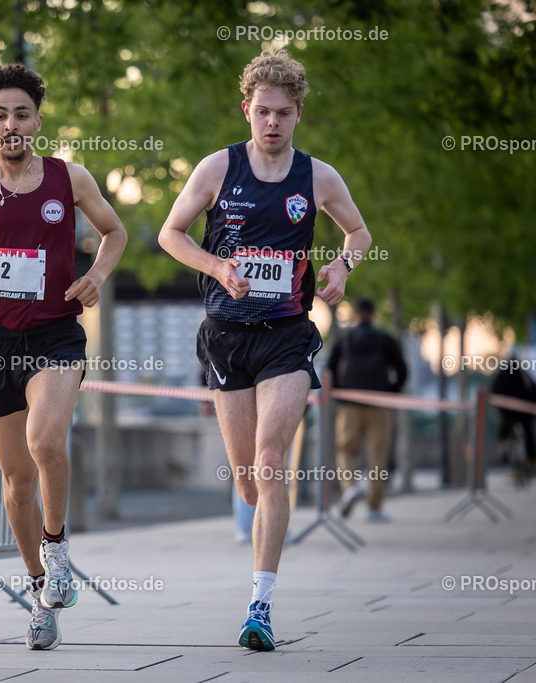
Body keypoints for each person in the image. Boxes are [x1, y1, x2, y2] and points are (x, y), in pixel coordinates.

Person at [158, 49, 372, 651]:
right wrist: (216, 265)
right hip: (226, 337)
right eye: (262, 112)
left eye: (283, 112)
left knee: (273, 460)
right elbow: (169, 233)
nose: (271, 122)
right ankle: (258, 529)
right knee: (251, 484)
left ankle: (261, 605)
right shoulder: (218, 168)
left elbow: (359, 232)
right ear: (246, 110)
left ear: (298, 113)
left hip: (286, 335)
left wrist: (342, 266)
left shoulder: (318, 177)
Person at [0, 63, 127, 650]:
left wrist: (95, 277)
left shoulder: (70, 179)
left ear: (38, 120)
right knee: (15, 481)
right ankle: (40, 592)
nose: (11, 124)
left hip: (56, 337)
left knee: (45, 443)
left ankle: (57, 548)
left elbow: (116, 233)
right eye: (0, 115)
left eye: (22, 114)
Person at [327, 297, 408, 522]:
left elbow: (329, 371)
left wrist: (340, 393)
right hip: (379, 405)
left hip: (349, 406)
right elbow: (402, 371)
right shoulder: (386, 340)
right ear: (373, 315)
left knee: (345, 450)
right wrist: (389, 393)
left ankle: (350, 488)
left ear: (355, 315)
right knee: (378, 457)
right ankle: (374, 508)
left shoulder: (344, 340)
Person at [490, 354, 536, 478]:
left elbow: (493, 391)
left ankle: (504, 445)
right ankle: (530, 459)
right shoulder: (522, 373)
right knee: (527, 432)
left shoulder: (503, 374)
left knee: (507, 424)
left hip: (510, 410)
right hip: (523, 410)